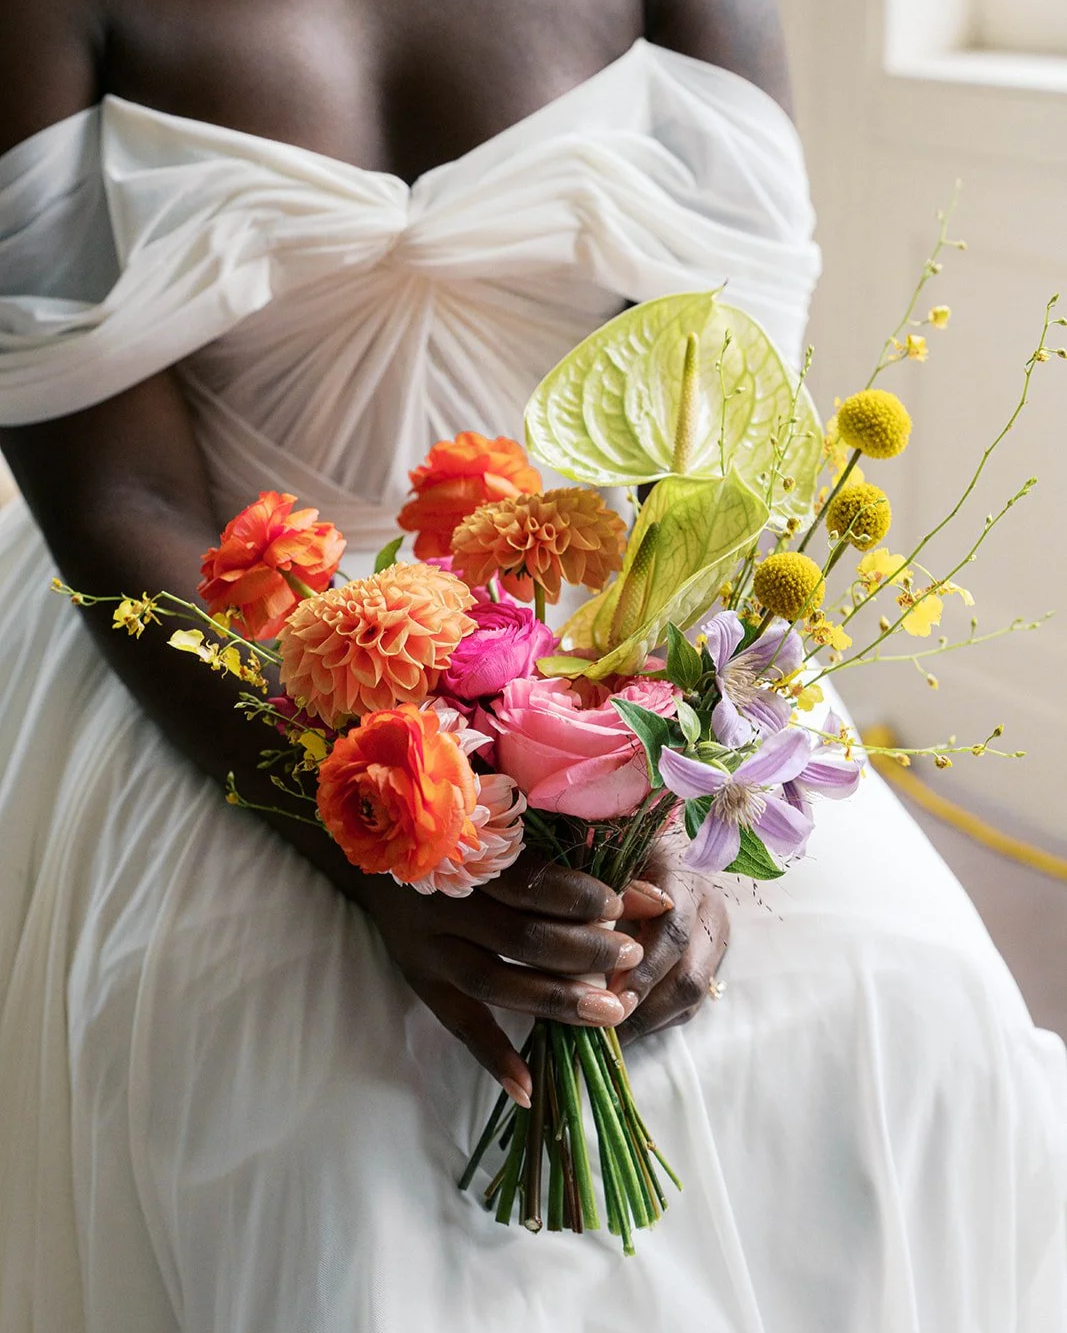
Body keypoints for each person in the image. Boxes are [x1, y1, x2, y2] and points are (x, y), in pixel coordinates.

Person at [0, 1, 1064, 1330]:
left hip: (625, 605)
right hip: (222, 632)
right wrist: (375, 850)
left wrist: (658, 814)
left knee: (904, 1009)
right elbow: (123, 501)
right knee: (305, 1140)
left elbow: (715, 443)